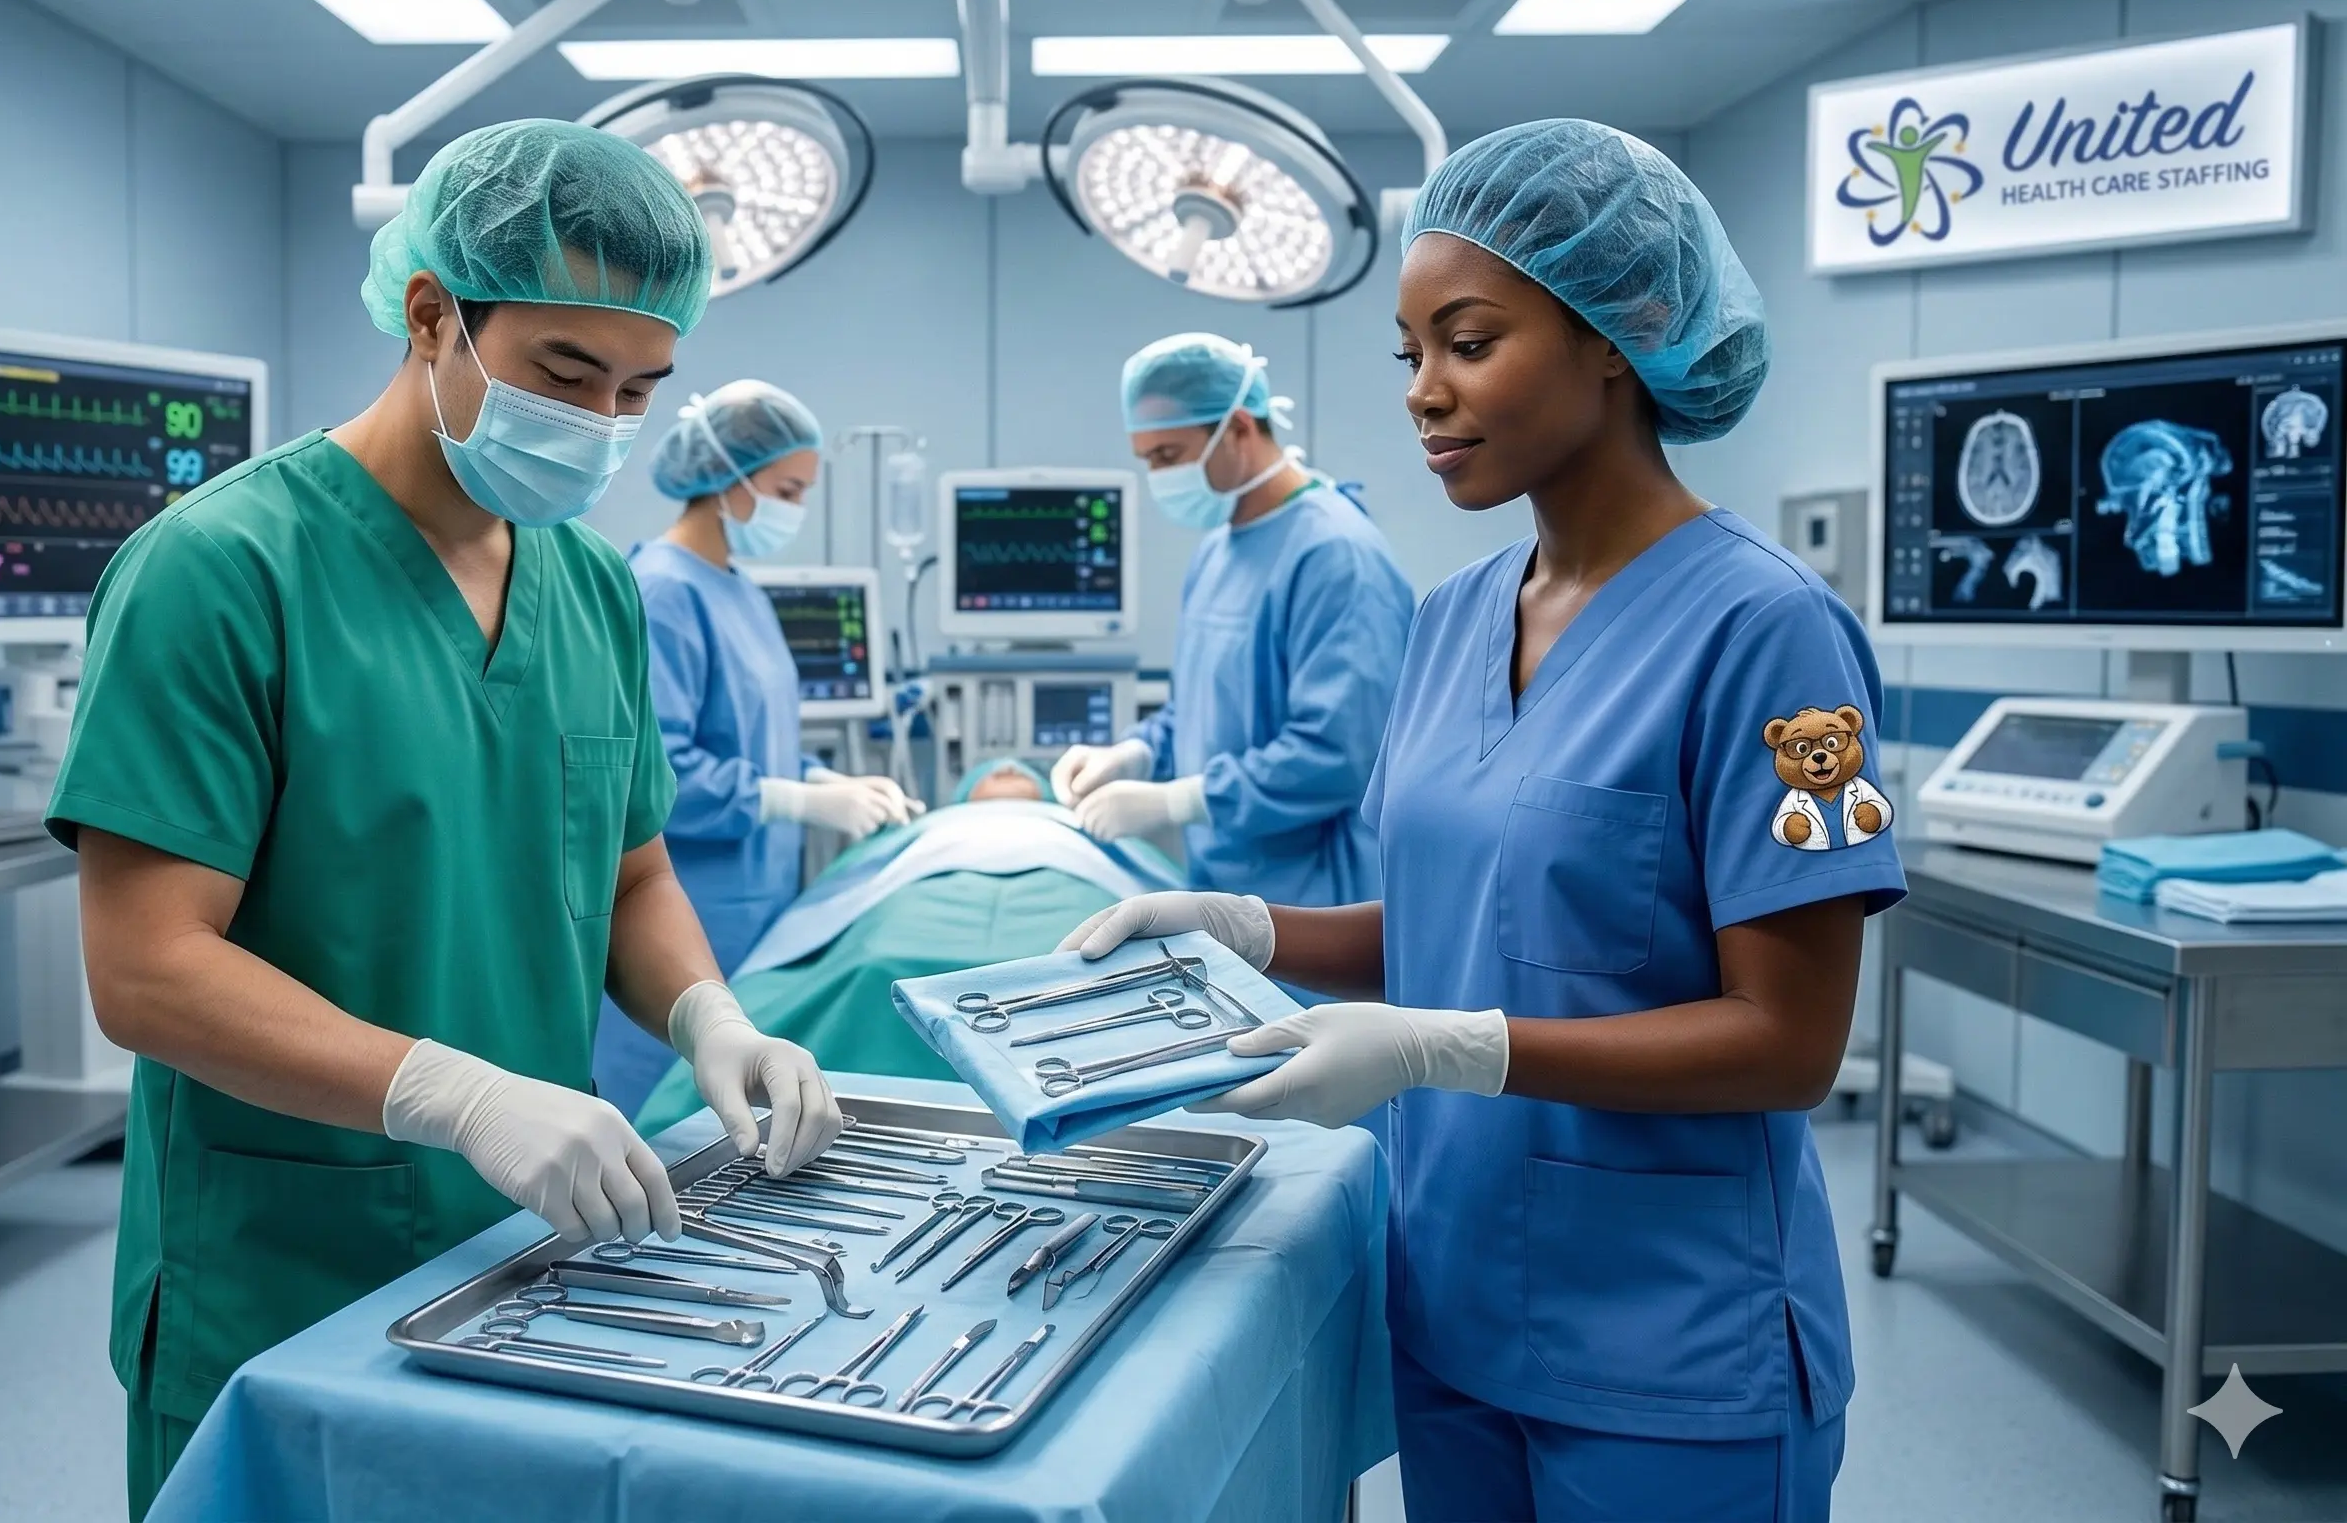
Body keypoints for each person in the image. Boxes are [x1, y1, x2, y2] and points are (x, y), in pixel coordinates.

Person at [1063, 120, 1902, 1522]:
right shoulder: (1455, 618)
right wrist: (1250, 928)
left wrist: (1445, 1047)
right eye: (1409, 354)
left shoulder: (1769, 632)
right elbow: (1471, 927)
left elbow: (1790, 1041)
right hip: (1452, 1303)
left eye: (1469, 342)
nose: (1424, 393)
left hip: (1670, 1342)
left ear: (1616, 338)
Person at [45, 120, 843, 1519]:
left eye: (638, 390)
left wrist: (711, 1018)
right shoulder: (219, 571)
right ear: (432, 314)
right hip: (284, 1265)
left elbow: (632, 872)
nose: (601, 422)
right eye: (565, 374)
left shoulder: (591, 588)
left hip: (531, 1251)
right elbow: (148, 969)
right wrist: (458, 1097)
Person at [596, 379, 917, 1109]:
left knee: (731, 1114)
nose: (794, 509)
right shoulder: (663, 592)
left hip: (754, 911)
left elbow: (756, 740)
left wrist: (824, 783)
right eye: (787, 490)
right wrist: (793, 800)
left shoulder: (739, 588)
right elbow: (656, 775)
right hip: (682, 918)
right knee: (660, 1119)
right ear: (725, 477)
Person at [1052, 333, 1414, 914]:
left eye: (1168, 455)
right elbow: (1201, 712)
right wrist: (1134, 753)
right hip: (1226, 886)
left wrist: (1178, 802)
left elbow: (1342, 753)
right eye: (1148, 460)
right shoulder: (1218, 550)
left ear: (1239, 427)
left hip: (1316, 900)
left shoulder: (1337, 557)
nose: (1158, 475)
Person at [631, 758, 1184, 1136]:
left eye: (1021, 771)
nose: (1006, 768)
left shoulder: (1081, 827)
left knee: (1092, 949)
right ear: (961, 798)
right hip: (910, 904)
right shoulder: (921, 831)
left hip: (1073, 887)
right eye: (991, 770)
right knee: (874, 959)